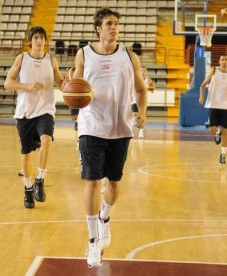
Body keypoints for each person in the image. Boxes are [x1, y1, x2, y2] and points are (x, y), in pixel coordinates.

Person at [72, 8, 147, 267]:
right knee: (92, 181)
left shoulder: (129, 56)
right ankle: (93, 241)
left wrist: (142, 112)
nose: (114, 28)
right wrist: (73, 103)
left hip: (120, 126)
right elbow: (74, 88)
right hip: (91, 125)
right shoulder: (84, 54)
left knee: (113, 183)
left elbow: (140, 89)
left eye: (116, 24)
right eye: (109, 24)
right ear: (98, 29)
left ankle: (105, 216)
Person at [4, 26, 66, 209]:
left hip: (45, 110)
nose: (39, 40)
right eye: (35, 37)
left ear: (45, 41)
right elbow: (7, 83)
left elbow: (60, 83)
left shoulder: (51, 59)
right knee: (25, 153)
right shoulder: (22, 58)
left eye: (41, 37)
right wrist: (27, 86)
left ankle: (40, 179)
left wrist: (69, 85)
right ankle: (28, 189)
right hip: (25, 112)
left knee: (46, 140)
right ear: (30, 41)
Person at [199, 55, 227, 165]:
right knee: (212, 129)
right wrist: (201, 96)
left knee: (226, 131)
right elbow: (203, 85)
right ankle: (217, 132)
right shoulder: (214, 71)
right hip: (214, 104)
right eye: (222, 59)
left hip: (226, 105)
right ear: (219, 61)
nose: (224, 61)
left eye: (226, 59)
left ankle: (223, 155)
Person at [131, 67, 154, 139]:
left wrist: (149, 87)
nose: (142, 71)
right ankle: (131, 131)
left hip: (143, 101)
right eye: (141, 70)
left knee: (142, 117)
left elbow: (152, 89)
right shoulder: (135, 79)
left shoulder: (148, 80)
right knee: (134, 115)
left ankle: (141, 132)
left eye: (144, 70)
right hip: (134, 100)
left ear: (145, 71)